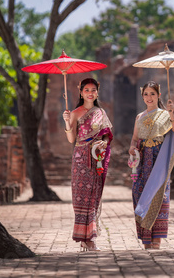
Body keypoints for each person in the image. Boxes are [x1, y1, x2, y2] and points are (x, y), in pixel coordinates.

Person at [129, 81, 174, 250]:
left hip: (159, 161)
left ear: (159, 95)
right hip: (143, 161)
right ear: (142, 96)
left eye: (152, 93)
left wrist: (172, 114)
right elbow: (135, 139)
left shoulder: (165, 114)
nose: (149, 97)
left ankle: (156, 239)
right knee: (139, 193)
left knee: (159, 195)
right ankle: (146, 238)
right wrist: (131, 148)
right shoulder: (139, 117)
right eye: (146, 94)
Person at [63, 78, 113, 252]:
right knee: (80, 198)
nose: (90, 93)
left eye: (93, 90)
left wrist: (104, 144)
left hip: (97, 156)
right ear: (81, 92)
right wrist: (67, 121)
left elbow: (107, 134)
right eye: (87, 90)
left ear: (97, 92)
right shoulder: (75, 113)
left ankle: (90, 238)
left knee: (92, 198)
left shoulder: (101, 112)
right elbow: (71, 139)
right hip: (80, 157)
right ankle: (83, 238)